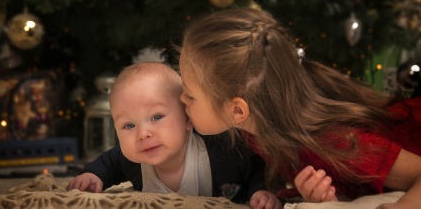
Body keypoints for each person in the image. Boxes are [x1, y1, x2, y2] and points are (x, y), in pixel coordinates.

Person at [178, 8, 421, 208]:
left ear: (237, 110)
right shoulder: (257, 125)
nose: (181, 99)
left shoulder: (334, 141)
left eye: (190, 95)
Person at [67, 62, 282, 209]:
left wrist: (261, 191)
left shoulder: (220, 149)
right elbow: (108, 164)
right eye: (129, 125)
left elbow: (255, 165)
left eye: (157, 117)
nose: (143, 134)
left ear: (188, 118)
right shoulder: (132, 160)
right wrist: (94, 176)